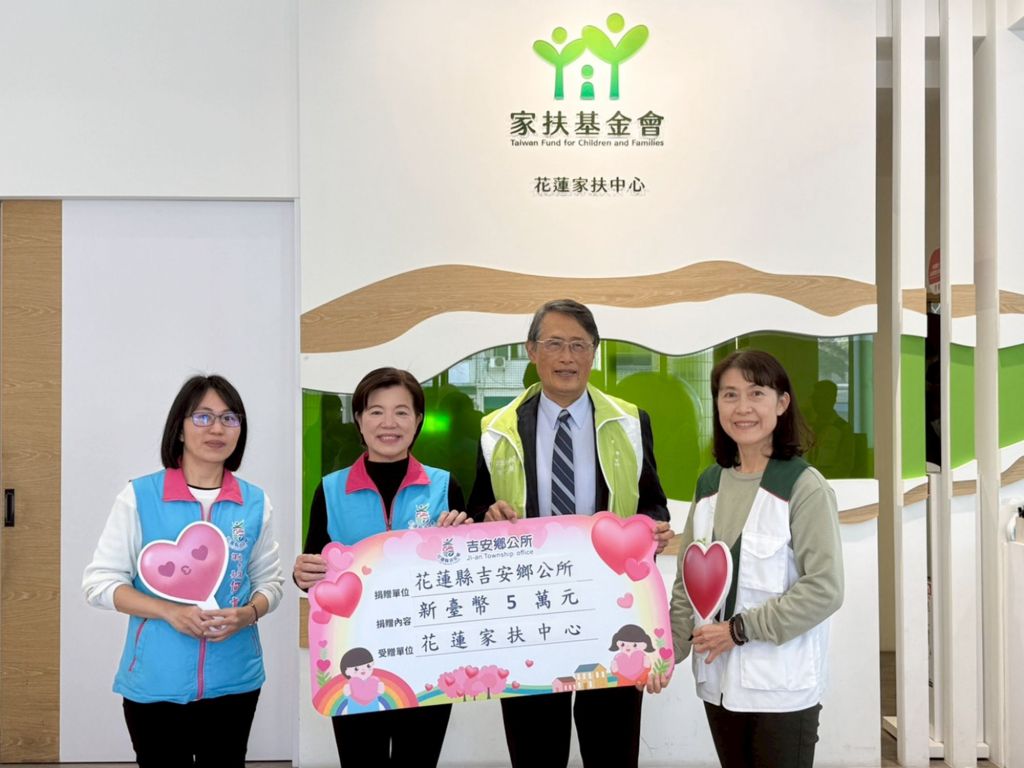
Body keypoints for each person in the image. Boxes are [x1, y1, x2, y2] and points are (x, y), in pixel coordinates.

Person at [467, 298, 673, 768]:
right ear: (531, 350)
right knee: (535, 749)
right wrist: (487, 515)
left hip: (611, 610)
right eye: (555, 344)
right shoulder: (495, 428)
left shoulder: (630, 421)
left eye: (579, 345)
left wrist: (652, 529)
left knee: (611, 748)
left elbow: (652, 501)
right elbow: (478, 508)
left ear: (594, 353)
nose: (567, 357)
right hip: (528, 612)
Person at [648, 349, 844, 768]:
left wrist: (738, 630)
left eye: (756, 393)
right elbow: (687, 586)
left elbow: (825, 589)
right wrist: (665, 654)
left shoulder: (804, 486)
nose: (742, 407)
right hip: (719, 684)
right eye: (729, 394)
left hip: (781, 687)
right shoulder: (709, 483)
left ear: (782, 403)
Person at [82, 374, 284, 767]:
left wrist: (249, 613)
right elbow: (99, 583)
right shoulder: (139, 497)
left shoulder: (256, 502)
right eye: (203, 417)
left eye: (229, 418)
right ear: (179, 428)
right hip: (155, 681)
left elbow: (270, 582)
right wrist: (168, 611)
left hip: (235, 679)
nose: (217, 429)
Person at [293, 367, 471, 768]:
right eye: (376, 411)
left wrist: (463, 542)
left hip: (428, 656)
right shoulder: (330, 489)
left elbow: (464, 577)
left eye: (401, 412)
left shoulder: (445, 486)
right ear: (359, 419)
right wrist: (302, 574)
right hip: (354, 658)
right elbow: (315, 571)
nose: (389, 423)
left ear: (418, 420)